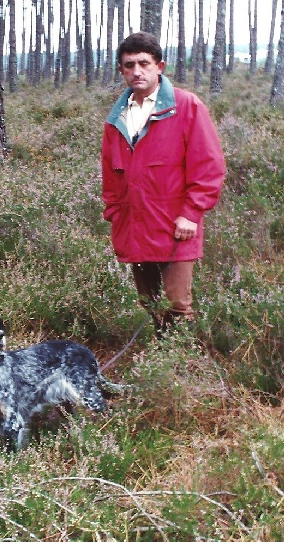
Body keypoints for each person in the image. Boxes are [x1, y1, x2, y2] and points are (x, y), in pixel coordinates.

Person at [101, 31, 225, 336]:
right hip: (134, 227)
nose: (137, 71)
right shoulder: (117, 118)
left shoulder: (186, 106)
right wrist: (114, 212)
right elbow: (110, 174)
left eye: (144, 63)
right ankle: (161, 351)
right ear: (121, 70)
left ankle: (182, 361)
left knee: (178, 304)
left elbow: (209, 166)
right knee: (150, 303)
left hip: (176, 227)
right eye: (129, 65)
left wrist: (191, 213)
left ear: (160, 66)